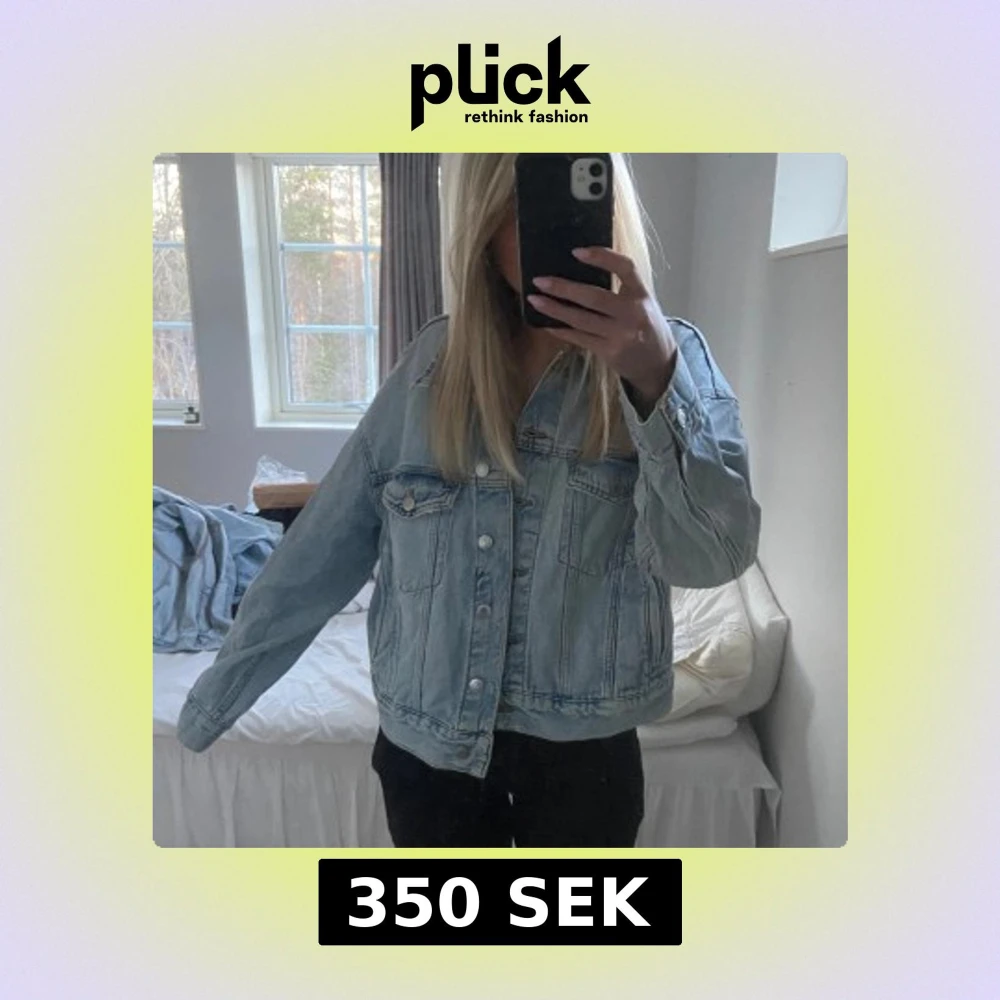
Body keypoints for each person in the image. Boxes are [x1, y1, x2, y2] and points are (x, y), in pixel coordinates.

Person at [176, 152, 761, 848]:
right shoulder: (431, 370)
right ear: (480, 224)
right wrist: (216, 699)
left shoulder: (673, 361)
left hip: (585, 764)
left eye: (572, 199)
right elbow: (321, 549)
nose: (542, 228)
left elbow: (712, 556)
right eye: (519, 205)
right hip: (425, 756)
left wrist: (654, 379)